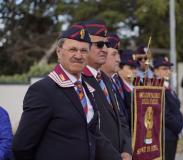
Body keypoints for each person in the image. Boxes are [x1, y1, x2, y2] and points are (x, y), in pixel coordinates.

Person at [12, 22, 121, 160]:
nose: (78, 55)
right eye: (72, 49)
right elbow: (22, 146)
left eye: (83, 50)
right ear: (59, 52)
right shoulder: (43, 90)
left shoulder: (86, 88)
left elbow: (93, 135)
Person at [82, 20, 132, 160]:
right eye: (99, 45)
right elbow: (90, 130)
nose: (104, 49)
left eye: (106, 45)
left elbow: (121, 121)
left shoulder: (106, 79)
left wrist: (127, 150)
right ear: (85, 46)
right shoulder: (79, 80)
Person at [153, 57, 183, 160]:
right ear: (155, 71)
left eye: (169, 69)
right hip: (164, 135)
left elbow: (176, 109)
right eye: (164, 69)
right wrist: (180, 127)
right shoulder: (156, 88)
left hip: (171, 134)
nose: (168, 71)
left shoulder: (167, 86)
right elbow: (164, 114)